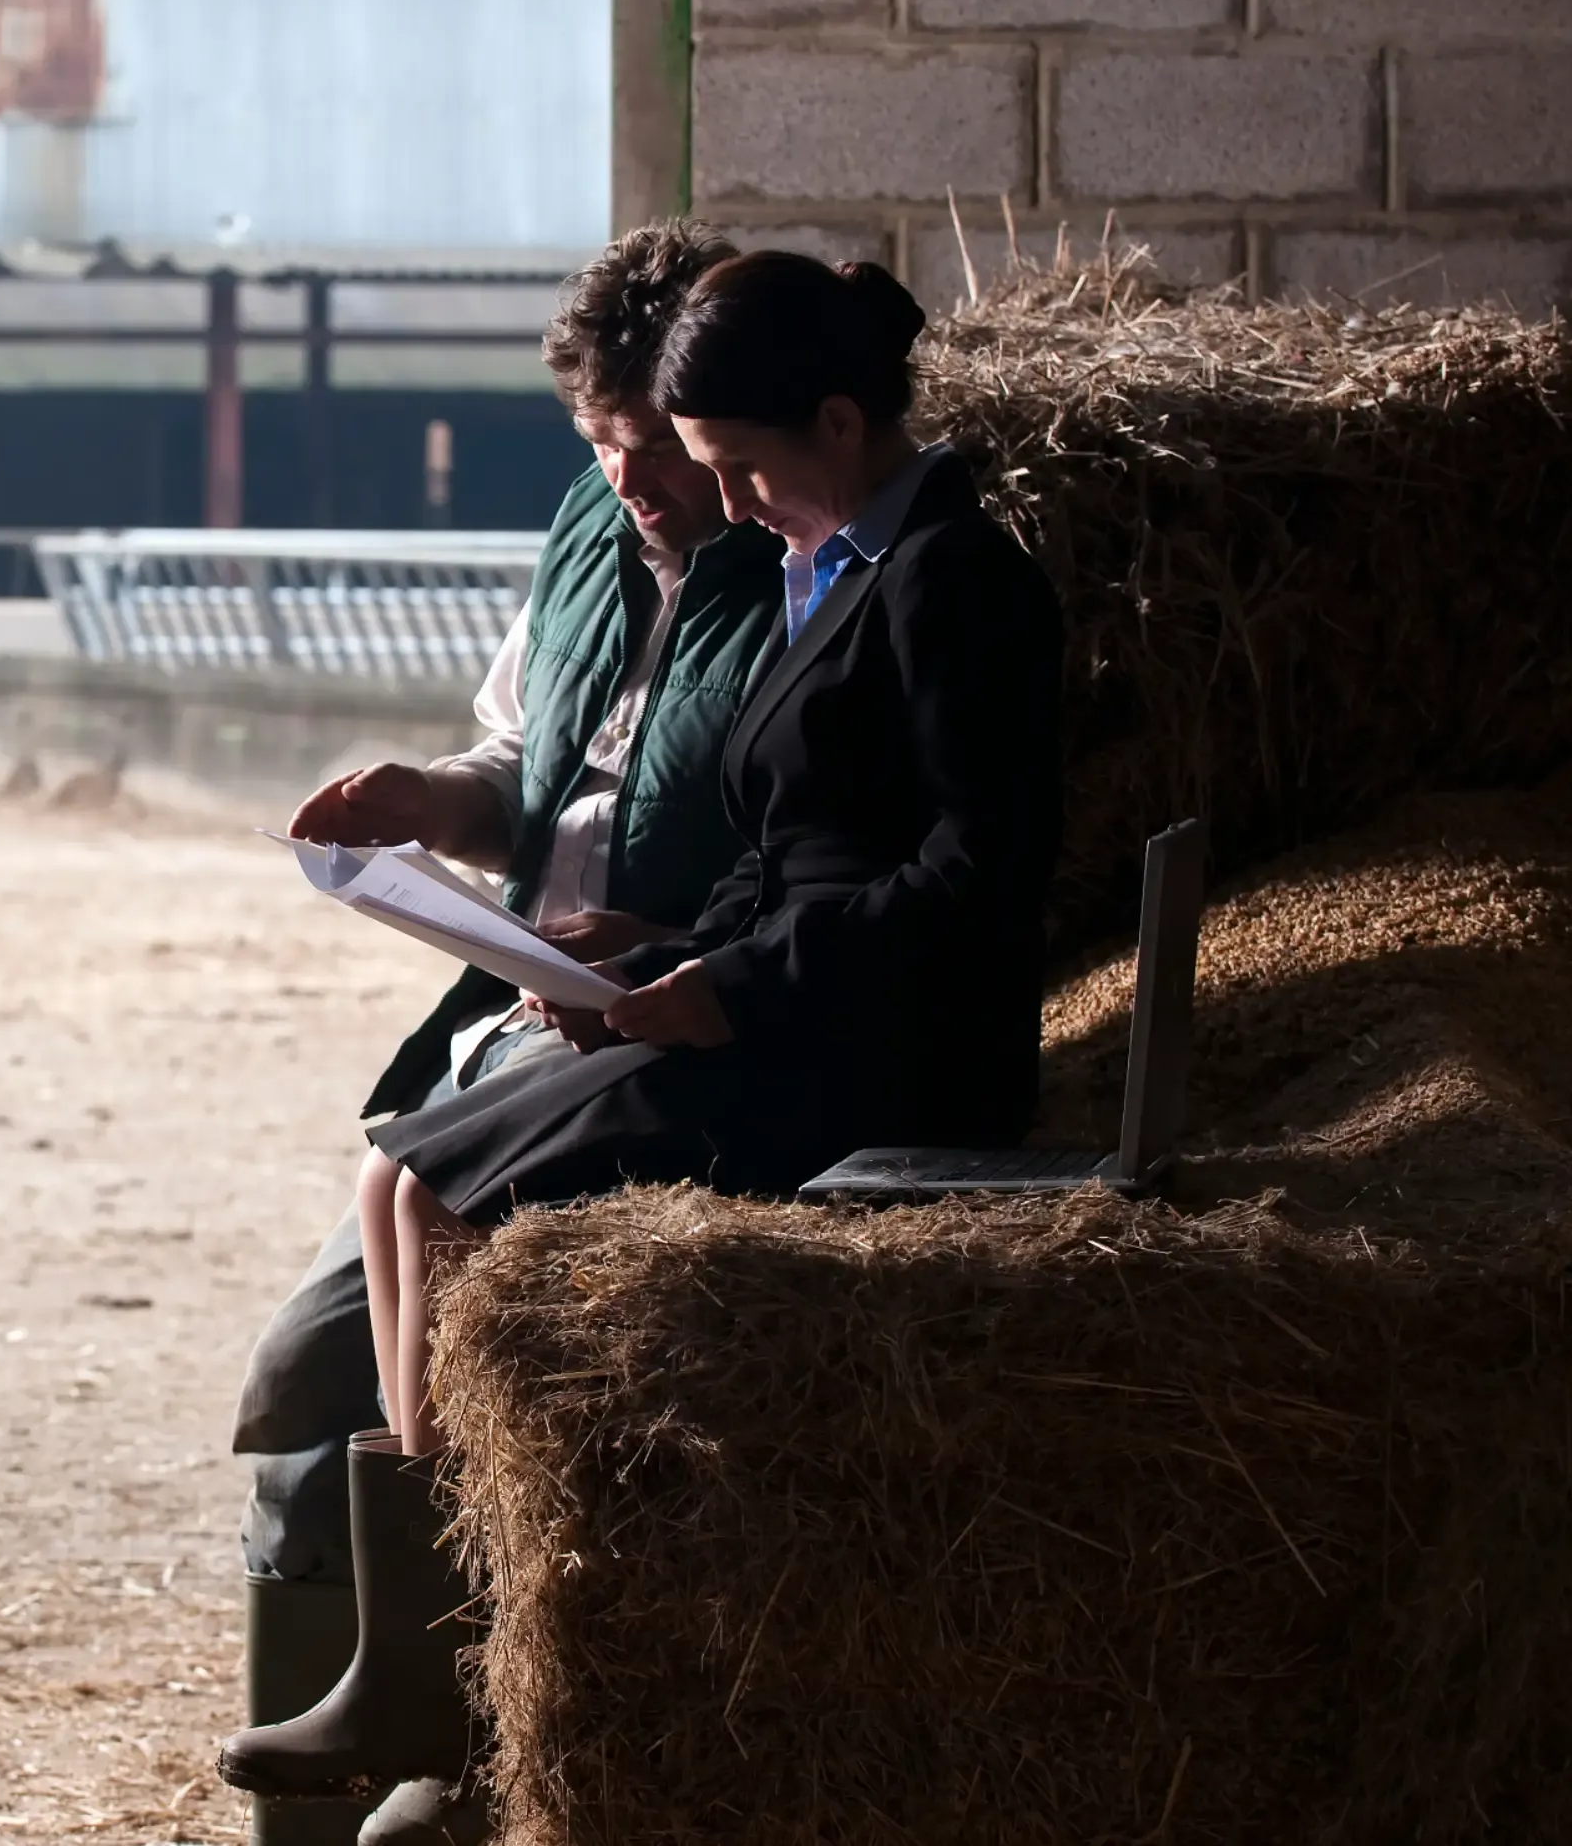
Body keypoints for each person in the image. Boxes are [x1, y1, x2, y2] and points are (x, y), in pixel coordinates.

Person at [218, 252, 1063, 1810]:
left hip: (872, 1046)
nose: (717, 501)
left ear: (832, 418)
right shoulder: (843, 565)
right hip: (785, 995)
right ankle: (416, 1660)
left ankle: (461, 1675)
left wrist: (733, 985)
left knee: (453, 1206)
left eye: (729, 463)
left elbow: (976, 875)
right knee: (402, 1176)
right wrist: (668, 943)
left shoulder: (954, 579)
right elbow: (789, 846)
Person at [227, 222, 790, 1846]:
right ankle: (378, 1726)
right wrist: (434, 804)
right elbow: (524, 776)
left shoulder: (808, 573)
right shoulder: (589, 547)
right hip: (515, 1001)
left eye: (655, 449)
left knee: (411, 1338)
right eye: (601, 448)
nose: (634, 484)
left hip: (646, 1010)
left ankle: (467, 1748)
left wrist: (670, 956)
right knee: (295, 1375)